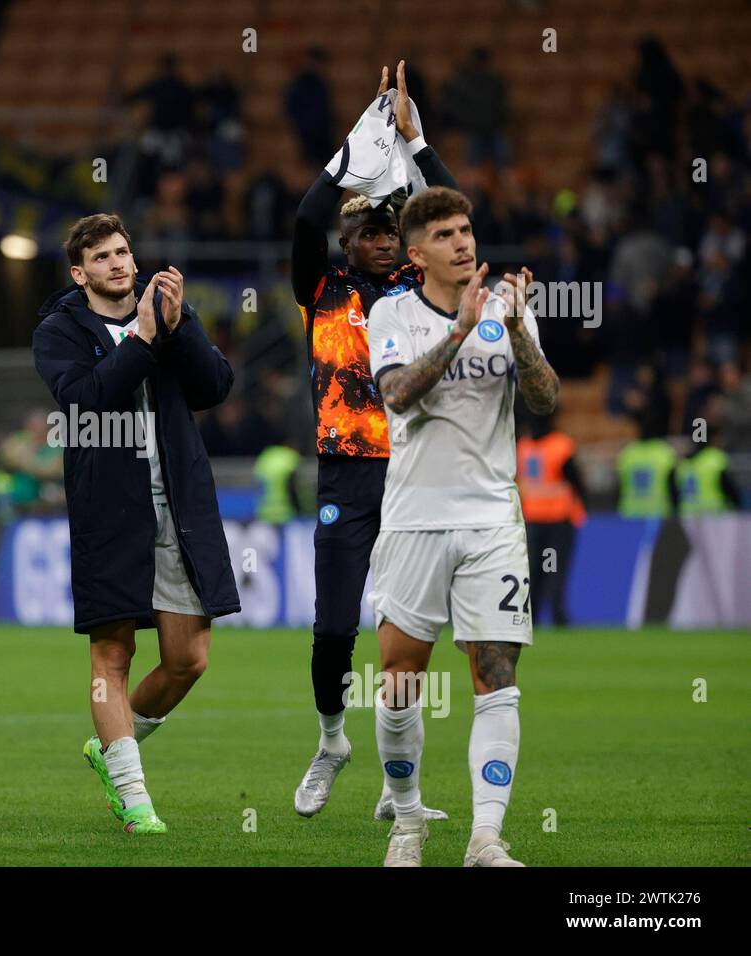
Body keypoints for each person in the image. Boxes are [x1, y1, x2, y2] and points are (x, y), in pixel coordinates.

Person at [367, 186, 560, 866]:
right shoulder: (390, 312)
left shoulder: (505, 310)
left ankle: (485, 837)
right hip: (415, 520)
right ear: (417, 254)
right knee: (398, 682)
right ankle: (409, 822)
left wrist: (513, 330)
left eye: (466, 230)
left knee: (497, 675)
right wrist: (458, 331)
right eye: (446, 234)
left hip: (491, 522)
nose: (463, 243)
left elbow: (545, 399)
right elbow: (396, 394)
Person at [33, 213, 239, 834]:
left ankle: (109, 750)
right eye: (102, 258)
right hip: (107, 511)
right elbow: (85, 402)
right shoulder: (58, 331)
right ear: (80, 272)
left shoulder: (168, 309)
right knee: (113, 655)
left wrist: (177, 333)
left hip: (179, 503)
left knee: (188, 659)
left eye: (123, 252)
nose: (119, 264)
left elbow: (215, 387)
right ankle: (134, 798)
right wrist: (145, 341)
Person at [290, 62, 455, 821]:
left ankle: (402, 790)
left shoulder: (416, 293)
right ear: (347, 241)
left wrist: (416, 146)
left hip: (416, 474)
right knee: (333, 628)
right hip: (346, 479)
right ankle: (330, 742)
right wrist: (347, 157)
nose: (386, 243)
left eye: (394, 232)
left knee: (406, 640)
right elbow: (302, 221)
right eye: (371, 233)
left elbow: (455, 214)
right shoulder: (320, 290)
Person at [516, 412, 587, 627]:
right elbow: (575, 479)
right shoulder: (561, 445)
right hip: (557, 518)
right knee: (554, 568)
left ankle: (533, 615)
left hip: (532, 519)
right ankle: (557, 613)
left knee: (535, 568)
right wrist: (583, 506)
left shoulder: (524, 446)